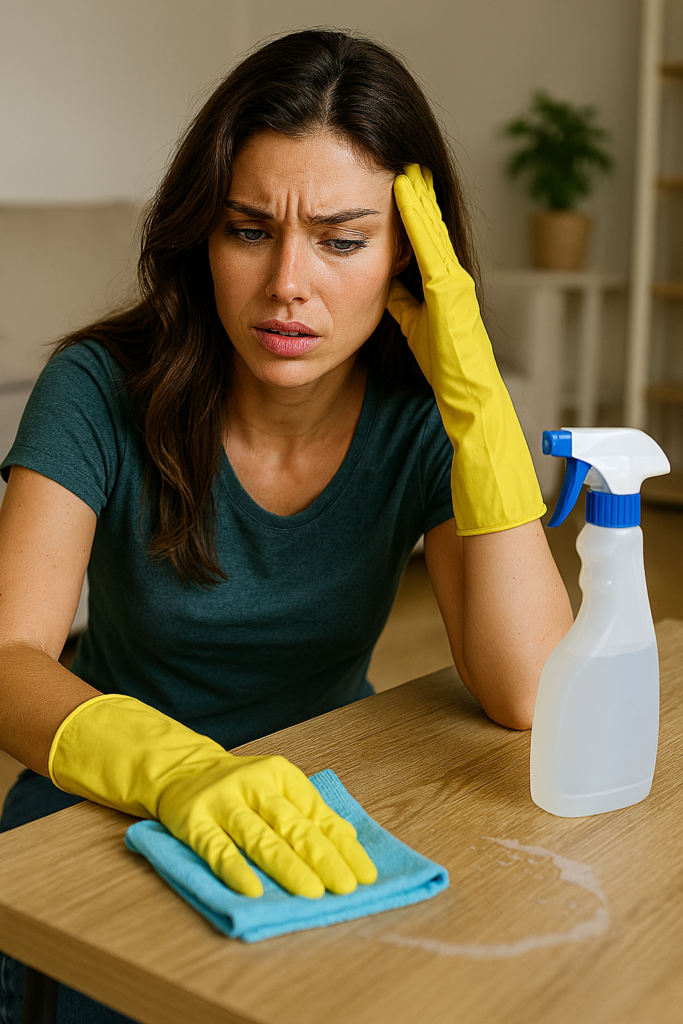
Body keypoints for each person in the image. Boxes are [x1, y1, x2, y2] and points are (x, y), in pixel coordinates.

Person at [0, 28, 573, 1023]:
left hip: (317, 802)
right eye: (248, 228)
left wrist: (477, 403)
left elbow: (527, 692)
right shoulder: (96, 387)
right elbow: (7, 651)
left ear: (405, 254)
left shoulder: (426, 414)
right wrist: (176, 769)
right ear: (201, 235)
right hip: (103, 801)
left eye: (342, 239)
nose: (286, 286)